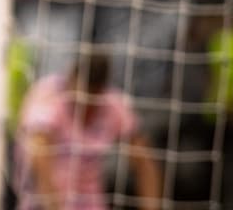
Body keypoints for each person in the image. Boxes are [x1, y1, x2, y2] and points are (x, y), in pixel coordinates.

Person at [14, 51, 161, 210]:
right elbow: (39, 158)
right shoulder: (47, 96)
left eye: (90, 103)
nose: (83, 109)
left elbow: (144, 162)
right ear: (70, 79)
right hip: (42, 200)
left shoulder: (113, 105)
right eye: (78, 100)